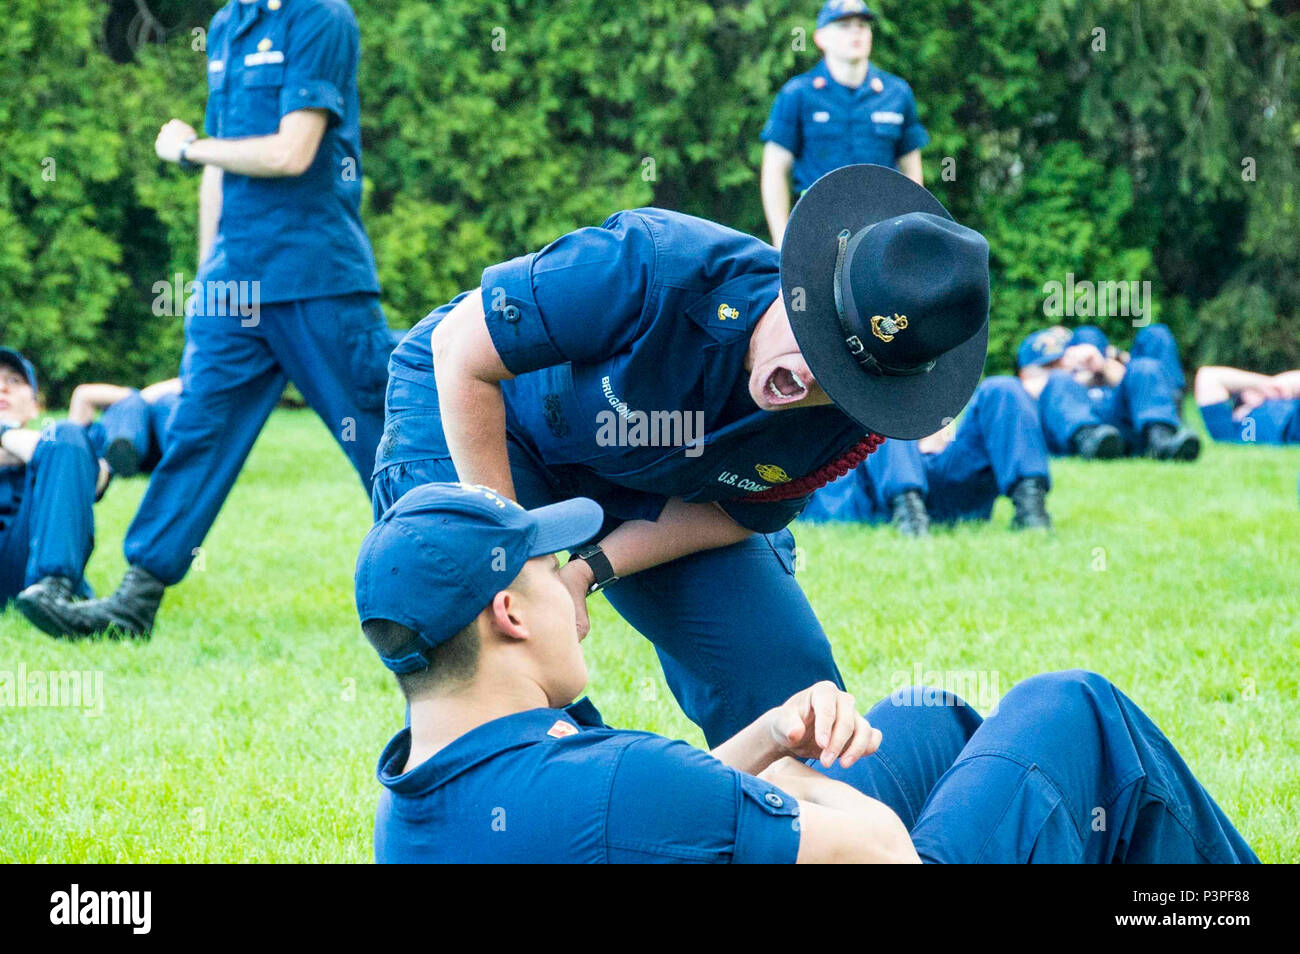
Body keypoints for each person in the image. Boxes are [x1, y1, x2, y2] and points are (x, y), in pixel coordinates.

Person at [372, 164, 991, 746]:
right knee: (491, 643)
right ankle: (551, 787)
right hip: (482, 410)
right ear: (797, 284)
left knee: (788, 690)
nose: (803, 380)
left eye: (838, 376)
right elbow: (462, 353)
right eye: (813, 341)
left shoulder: (855, 423)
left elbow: (735, 513)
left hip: (663, 488)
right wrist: (513, 563)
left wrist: (585, 570)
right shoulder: (655, 262)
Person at [357, 482, 1259, 864]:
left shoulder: (415, 798)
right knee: (1072, 708)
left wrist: (771, 734)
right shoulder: (615, 782)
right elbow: (880, 855)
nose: (572, 585)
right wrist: (792, 779)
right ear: (508, 615)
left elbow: (654, 815)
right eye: (552, 568)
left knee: (928, 717)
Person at [28, 0, 394, 641]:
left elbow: (293, 150)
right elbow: (216, 174)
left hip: (315, 274)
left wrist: (192, 148)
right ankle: (134, 601)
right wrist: (207, 281)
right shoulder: (228, 25)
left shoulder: (320, 18)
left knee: (380, 430)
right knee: (199, 429)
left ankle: (461, 574)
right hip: (235, 284)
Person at [760, 1, 928, 248]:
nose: (856, 32)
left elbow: (912, 170)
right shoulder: (798, 94)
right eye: (844, 25)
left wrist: (909, 227)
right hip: (816, 230)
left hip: (880, 232)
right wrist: (781, 237)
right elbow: (774, 170)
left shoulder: (897, 93)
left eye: (862, 25)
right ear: (820, 38)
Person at [801, 376, 1052, 534]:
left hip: (937, 474)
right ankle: (911, 522)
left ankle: (1032, 513)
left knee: (1003, 388)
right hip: (876, 495)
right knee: (886, 399)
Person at [0, 348, 100, 625]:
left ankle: (53, 588)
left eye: (14, 381)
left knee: (66, 434)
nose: (1, 388)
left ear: (34, 406)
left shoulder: (56, 447)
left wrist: (6, 434)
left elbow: (98, 478)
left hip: (27, 560)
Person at [1017, 324, 1200, 461]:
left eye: (1062, 361)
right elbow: (1031, 389)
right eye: (1049, 365)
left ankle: (1162, 441)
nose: (1062, 366)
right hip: (1074, 431)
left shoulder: (1093, 370)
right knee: (1058, 381)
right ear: (1024, 372)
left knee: (1144, 366)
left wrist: (1102, 367)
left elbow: (1138, 380)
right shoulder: (1033, 385)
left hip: (1117, 421)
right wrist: (1072, 377)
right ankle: (1091, 443)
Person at [69, 377, 182, 479]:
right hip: (141, 445)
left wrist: (139, 397)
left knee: (158, 402)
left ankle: (182, 454)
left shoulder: (86, 435)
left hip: (157, 439)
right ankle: (125, 450)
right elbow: (82, 394)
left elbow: (82, 394)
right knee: (137, 404)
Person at [1194, 365, 1300, 445]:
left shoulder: (1280, 399)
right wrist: (1263, 385)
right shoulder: (1227, 432)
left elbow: (1284, 385)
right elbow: (1207, 376)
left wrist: (1266, 385)